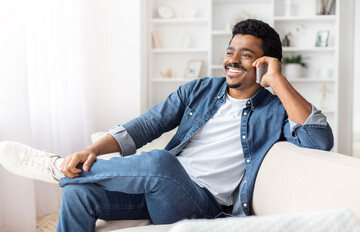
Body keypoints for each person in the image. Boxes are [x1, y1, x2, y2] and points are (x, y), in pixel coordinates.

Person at [0, 19, 333, 232]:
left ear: (266, 61)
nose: (232, 60)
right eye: (230, 51)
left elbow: (319, 140)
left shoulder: (275, 110)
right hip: (157, 190)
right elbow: (146, 125)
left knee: (162, 161)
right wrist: (89, 151)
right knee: (78, 192)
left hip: (201, 204)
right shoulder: (200, 89)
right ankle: (68, 172)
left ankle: (56, 167)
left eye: (246, 55)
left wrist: (277, 80)